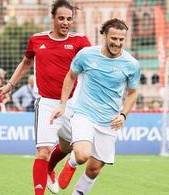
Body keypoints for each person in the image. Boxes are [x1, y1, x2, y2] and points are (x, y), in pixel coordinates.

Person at [0, 0, 91, 195]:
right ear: (52, 18)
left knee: (67, 147)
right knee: (43, 152)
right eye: (61, 18)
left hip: (72, 105)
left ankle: (51, 170)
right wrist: (9, 85)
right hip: (46, 103)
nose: (65, 22)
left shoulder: (80, 41)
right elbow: (26, 63)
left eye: (69, 19)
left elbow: (94, 65)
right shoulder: (37, 40)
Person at [50, 18, 140, 194]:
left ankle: (76, 187)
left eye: (121, 39)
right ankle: (73, 160)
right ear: (105, 36)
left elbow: (132, 93)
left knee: (94, 169)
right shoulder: (86, 55)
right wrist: (62, 103)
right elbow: (70, 76)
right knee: (82, 155)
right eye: (114, 38)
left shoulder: (132, 64)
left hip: (109, 121)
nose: (117, 43)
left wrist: (123, 115)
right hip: (84, 113)